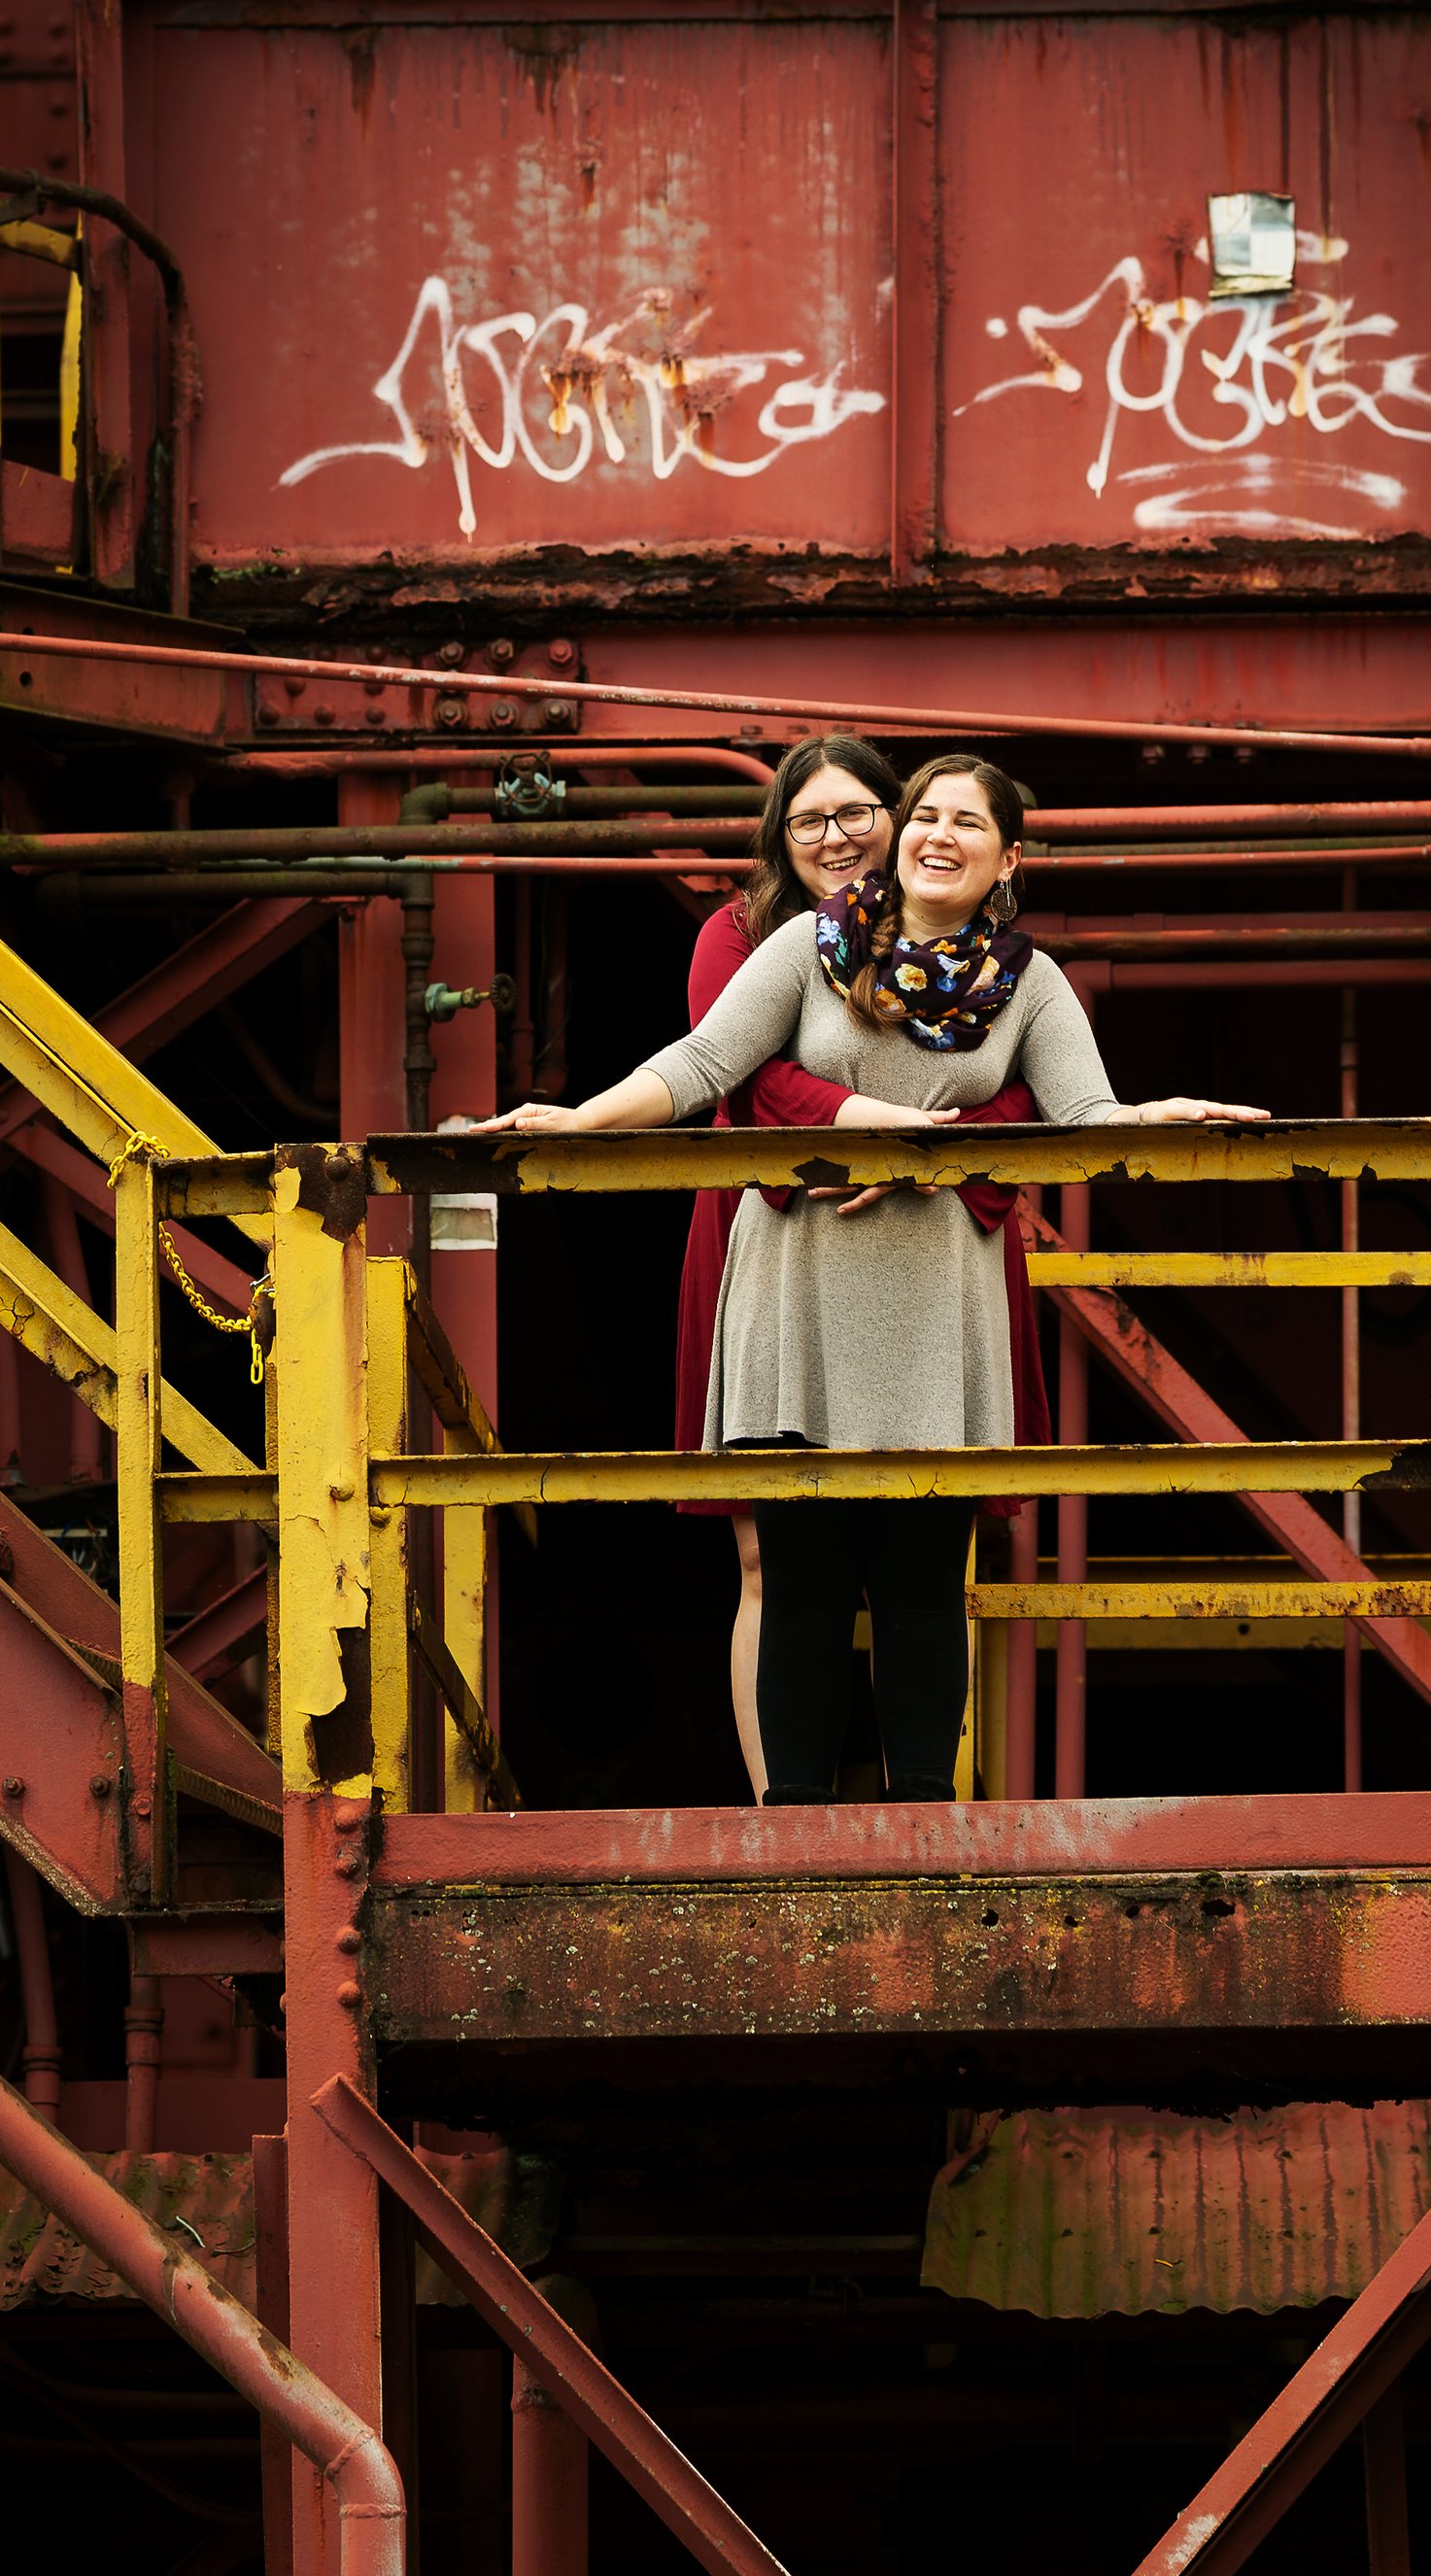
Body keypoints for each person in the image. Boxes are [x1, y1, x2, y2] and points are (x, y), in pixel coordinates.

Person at [480, 752, 1266, 1803]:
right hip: (799, 1286)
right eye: (925, 817)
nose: (940, 837)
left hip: (940, 1305)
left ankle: (922, 1819)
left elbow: (1081, 1116)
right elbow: (705, 1064)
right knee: (801, 1579)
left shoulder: (1029, 982)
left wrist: (1152, 1116)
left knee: (923, 1584)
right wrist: (577, 1123)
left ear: (1008, 858)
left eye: (968, 825)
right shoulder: (809, 946)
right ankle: (797, 1827)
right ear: (898, 836)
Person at [674, 731, 1049, 1796]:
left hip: (933, 1240)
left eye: (858, 815)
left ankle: (915, 1804)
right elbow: (732, 1079)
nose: (836, 838)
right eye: (808, 821)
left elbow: (1036, 1088)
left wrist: (948, 1146)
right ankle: (778, 1809)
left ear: (899, 819)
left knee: (920, 1554)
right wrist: (873, 1122)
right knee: (778, 1551)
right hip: (784, 1216)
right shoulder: (749, 935)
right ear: (778, 837)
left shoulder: (991, 957)